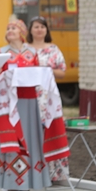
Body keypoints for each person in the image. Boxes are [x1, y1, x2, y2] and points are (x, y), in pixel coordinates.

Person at [0, 18, 69, 191]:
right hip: (8, 105)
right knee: (12, 140)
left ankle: (29, 182)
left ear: (22, 32)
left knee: (30, 139)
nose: (9, 31)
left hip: (29, 102)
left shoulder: (32, 53)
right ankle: (11, 183)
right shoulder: (0, 53)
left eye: (13, 28)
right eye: (7, 28)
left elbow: (39, 75)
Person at [27, 16, 69, 181]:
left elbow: (63, 72)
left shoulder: (53, 49)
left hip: (48, 96)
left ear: (46, 30)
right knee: (32, 133)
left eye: (42, 27)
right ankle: (34, 174)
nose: (39, 30)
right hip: (30, 96)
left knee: (50, 130)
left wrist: (45, 69)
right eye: (36, 27)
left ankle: (53, 174)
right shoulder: (25, 49)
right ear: (30, 30)